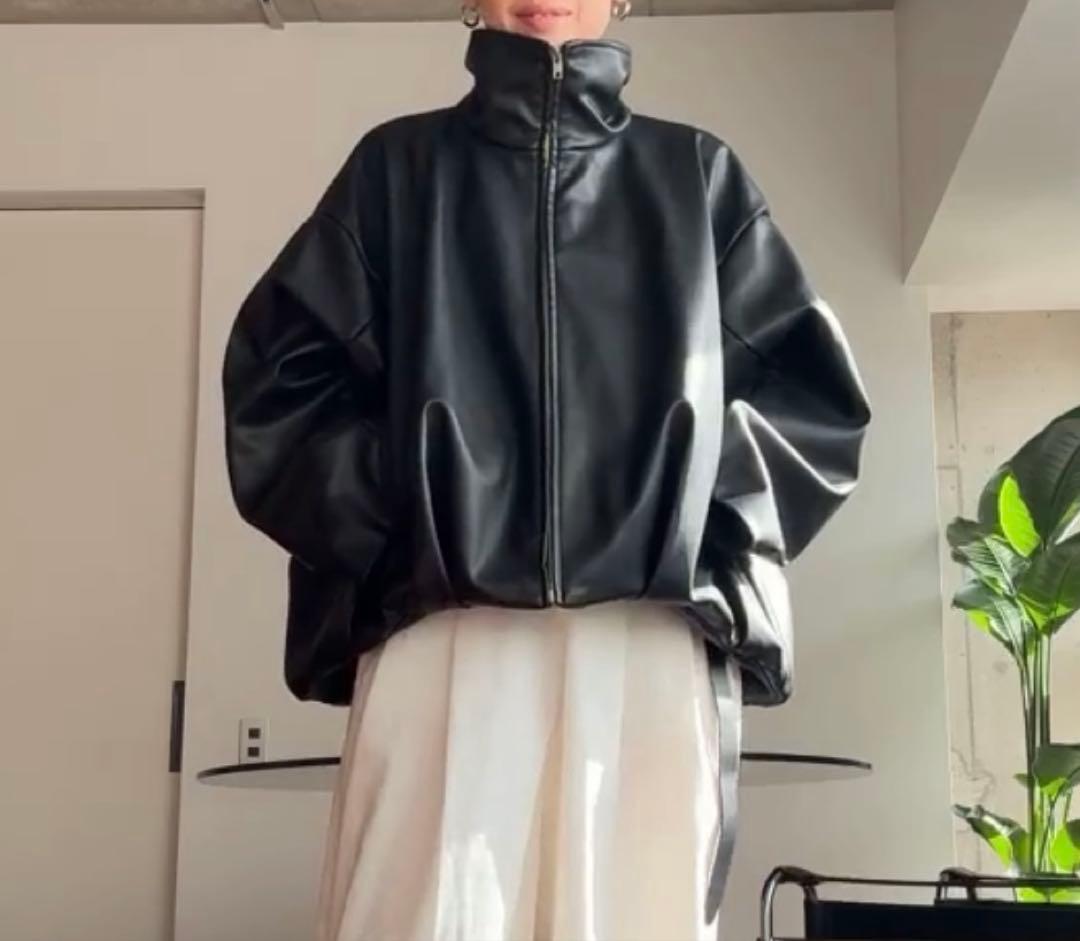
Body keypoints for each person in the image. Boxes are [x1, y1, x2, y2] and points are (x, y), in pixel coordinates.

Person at [220, 1, 872, 939]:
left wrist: (685, 526)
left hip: (646, 642)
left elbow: (814, 405)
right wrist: (415, 520)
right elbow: (276, 389)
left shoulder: (696, 175)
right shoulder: (396, 171)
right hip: (442, 631)